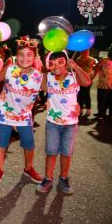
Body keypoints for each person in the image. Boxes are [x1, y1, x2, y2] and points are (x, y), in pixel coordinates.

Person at [0, 36, 43, 185]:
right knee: (1, 141)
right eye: (21, 54)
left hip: (24, 115)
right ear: (16, 56)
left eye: (29, 54)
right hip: (5, 111)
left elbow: (53, 89)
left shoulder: (39, 77)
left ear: (35, 56)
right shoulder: (10, 68)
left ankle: (28, 168)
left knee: (29, 143)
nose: (25, 58)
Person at [36, 51, 91, 194]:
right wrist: (43, 71)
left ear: (66, 63)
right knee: (51, 152)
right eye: (52, 64)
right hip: (52, 123)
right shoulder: (48, 77)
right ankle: (48, 178)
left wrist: (76, 67)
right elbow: (44, 88)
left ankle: (64, 178)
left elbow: (87, 82)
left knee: (67, 153)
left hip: (70, 124)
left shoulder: (73, 76)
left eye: (60, 62)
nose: (56, 66)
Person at [92, 45, 112, 120]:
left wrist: (93, 64)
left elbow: (96, 67)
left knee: (101, 100)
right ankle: (109, 115)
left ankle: (101, 115)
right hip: (111, 85)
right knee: (110, 100)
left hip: (103, 85)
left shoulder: (104, 60)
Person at [75, 50, 97, 116]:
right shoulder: (78, 59)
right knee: (79, 94)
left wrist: (93, 77)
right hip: (79, 80)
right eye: (84, 52)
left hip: (88, 80)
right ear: (81, 52)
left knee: (86, 94)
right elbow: (75, 68)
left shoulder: (92, 59)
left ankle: (88, 109)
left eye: (87, 52)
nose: (85, 53)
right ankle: (80, 109)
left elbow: (96, 68)